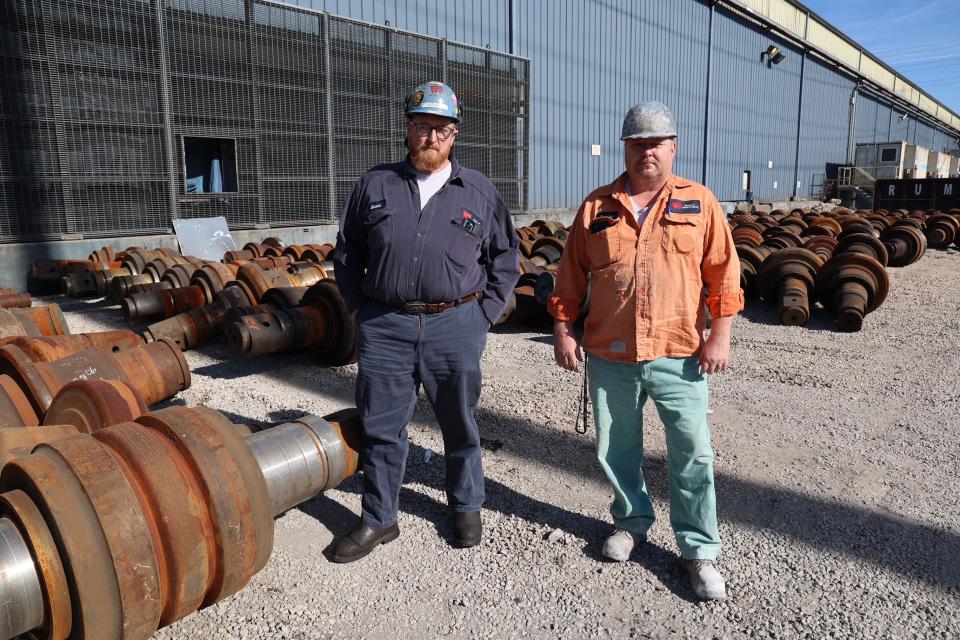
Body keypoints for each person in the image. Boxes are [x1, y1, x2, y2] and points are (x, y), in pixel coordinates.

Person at [547, 101, 743, 600]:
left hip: (680, 353)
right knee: (617, 448)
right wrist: (563, 329)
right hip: (611, 356)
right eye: (637, 143)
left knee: (693, 453)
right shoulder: (596, 208)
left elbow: (723, 273)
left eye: (655, 143)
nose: (646, 152)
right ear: (625, 148)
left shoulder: (699, 203)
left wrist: (719, 334)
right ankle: (631, 523)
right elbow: (570, 276)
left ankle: (698, 551)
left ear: (673, 147)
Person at [332, 81, 520, 562]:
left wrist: (484, 315)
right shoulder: (375, 185)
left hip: (455, 325)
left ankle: (465, 505)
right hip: (386, 326)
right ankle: (379, 517)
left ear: (455, 134)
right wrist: (359, 309)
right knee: (381, 425)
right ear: (407, 129)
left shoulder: (478, 191)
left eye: (441, 128)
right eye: (421, 126)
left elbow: (505, 257)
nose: (431, 137)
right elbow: (349, 253)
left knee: (459, 421)